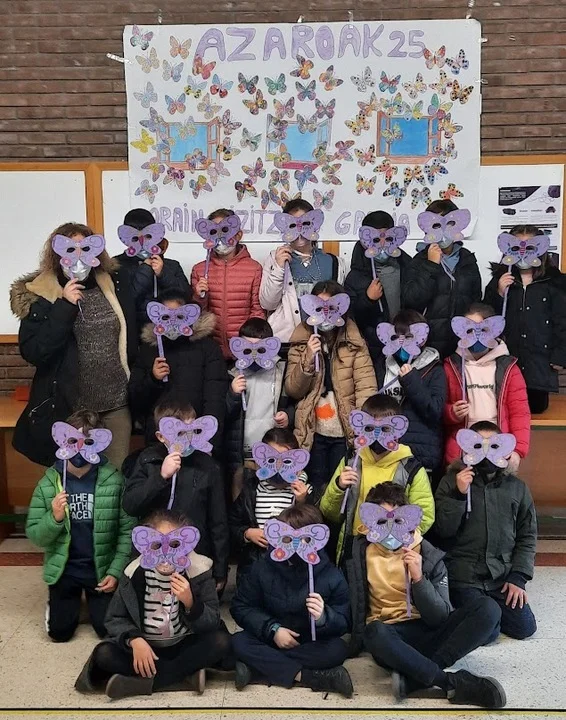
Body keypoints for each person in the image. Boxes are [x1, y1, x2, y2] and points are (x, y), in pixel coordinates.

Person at [346, 482, 506, 708]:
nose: (390, 529)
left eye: (398, 521)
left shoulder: (429, 554)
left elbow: (440, 617)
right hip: (391, 638)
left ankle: (415, 678)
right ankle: (448, 682)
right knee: (374, 632)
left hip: (428, 629)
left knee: (489, 608)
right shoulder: (358, 552)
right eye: (381, 521)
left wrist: (419, 579)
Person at [10, 222, 137, 469]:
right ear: (56, 254)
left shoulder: (113, 283)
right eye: (70, 249)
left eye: (86, 248)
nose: (79, 256)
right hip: (71, 411)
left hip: (116, 405)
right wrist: (65, 306)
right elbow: (35, 352)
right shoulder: (40, 294)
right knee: (75, 481)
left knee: (114, 478)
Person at [75, 509, 231, 699]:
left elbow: (212, 620)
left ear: (187, 545)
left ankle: (145, 683)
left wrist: (191, 603)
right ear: (145, 545)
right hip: (146, 648)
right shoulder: (133, 573)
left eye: (175, 544)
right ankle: (184, 673)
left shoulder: (198, 572)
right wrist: (134, 639)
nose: (165, 552)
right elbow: (114, 618)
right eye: (157, 545)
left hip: (184, 643)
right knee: (104, 654)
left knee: (221, 641)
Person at [25, 409, 134, 642]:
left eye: (89, 442)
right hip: (65, 571)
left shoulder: (114, 481)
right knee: (59, 633)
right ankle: (62, 605)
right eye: (73, 441)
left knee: (107, 631)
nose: (80, 448)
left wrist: (114, 572)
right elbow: (35, 535)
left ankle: (90, 604)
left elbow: (127, 532)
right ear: (62, 441)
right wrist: (54, 518)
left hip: (99, 569)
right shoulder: (48, 484)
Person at [230, 504, 353, 697]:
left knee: (337, 649)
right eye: (287, 538)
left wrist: (324, 617)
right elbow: (241, 606)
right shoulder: (262, 568)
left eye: (305, 539)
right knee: (239, 641)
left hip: (310, 642)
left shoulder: (331, 575)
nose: (296, 545)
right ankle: (308, 677)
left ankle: (258, 668)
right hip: (271, 638)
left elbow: (344, 621)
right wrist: (273, 629)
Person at [435, 421, 537, 641]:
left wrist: (518, 577)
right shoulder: (450, 482)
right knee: (488, 633)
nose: (486, 453)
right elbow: (443, 530)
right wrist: (459, 495)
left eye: (494, 446)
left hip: (500, 576)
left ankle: (487, 611)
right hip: (464, 576)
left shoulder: (517, 487)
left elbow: (527, 536)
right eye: (478, 445)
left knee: (525, 628)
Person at [122, 397, 229, 594]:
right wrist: (160, 477)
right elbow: (130, 504)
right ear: (161, 436)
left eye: (193, 430)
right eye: (179, 432)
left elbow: (218, 521)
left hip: (193, 554)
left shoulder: (208, 466)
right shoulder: (148, 460)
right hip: (152, 553)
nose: (187, 438)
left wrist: (220, 569)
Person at [320, 394, 434, 564]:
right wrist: (339, 487)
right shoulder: (351, 462)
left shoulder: (411, 469)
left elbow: (424, 516)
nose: (378, 434)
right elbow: (329, 512)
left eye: (386, 429)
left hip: (390, 557)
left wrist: (393, 537)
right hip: (352, 553)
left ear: (399, 431)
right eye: (370, 428)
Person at [285, 280, 377, 488]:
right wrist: (308, 358)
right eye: (319, 308)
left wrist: (362, 428)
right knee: (315, 486)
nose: (325, 314)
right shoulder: (301, 340)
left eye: (332, 308)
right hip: (312, 431)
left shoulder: (354, 342)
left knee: (340, 487)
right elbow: (292, 389)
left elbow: (366, 388)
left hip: (344, 432)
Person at [127, 287, 227, 445]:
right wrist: (153, 379)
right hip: (160, 440)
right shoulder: (148, 350)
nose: (172, 322)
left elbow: (215, 400)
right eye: (166, 317)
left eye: (179, 316)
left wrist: (209, 439)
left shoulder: (208, 348)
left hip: (197, 437)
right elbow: (136, 401)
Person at [484, 224, 566, 414]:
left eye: (530, 247)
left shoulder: (555, 282)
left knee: (535, 408)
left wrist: (560, 355)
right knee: (505, 407)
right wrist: (499, 293)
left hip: (540, 360)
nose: (522, 252)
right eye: (516, 247)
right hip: (509, 357)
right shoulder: (500, 280)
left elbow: (563, 320)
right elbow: (487, 318)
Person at [443, 303, 530, 467]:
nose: (476, 335)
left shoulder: (509, 368)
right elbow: (439, 408)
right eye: (469, 330)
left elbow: (520, 413)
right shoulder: (451, 366)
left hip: (499, 448)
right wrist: (452, 413)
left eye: (482, 330)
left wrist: (518, 450)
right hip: (462, 448)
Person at [229, 427, 314, 580]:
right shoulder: (251, 490)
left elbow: (315, 531)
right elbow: (233, 523)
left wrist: (303, 502)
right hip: (255, 566)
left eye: (286, 461)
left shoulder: (304, 491)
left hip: (291, 570)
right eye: (271, 460)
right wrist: (247, 533)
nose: (278, 467)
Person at [402, 200, 482, 358]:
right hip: (429, 342)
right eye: (437, 225)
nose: (444, 231)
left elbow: (476, 300)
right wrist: (431, 265)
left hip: (461, 342)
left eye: (450, 224)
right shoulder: (418, 262)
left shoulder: (467, 260)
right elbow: (411, 301)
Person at [260, 198, 345, 342]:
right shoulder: (275, 259)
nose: (299, 230)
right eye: (292, 225)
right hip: (288, 340)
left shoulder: (334, 262)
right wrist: (279, 268)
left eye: (306, 224)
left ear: (315, 225)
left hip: (324, 341)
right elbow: (268, 303)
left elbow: (339, 306)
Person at [374, 310, 446, 478]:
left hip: (419, 456)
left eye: (409, 337)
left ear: (423, 339)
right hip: (384, 454)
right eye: (396, 337)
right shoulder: (382, 365)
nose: (402, 343)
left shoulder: (435, 369)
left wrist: (411, 380)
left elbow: (434, 410)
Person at [226, 317, 293, 498]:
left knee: (269, 498)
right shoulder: (231, 373)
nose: (254, 354)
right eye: (247, 349)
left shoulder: (281, 371)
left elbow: (294, 403)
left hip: (272, 451)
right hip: (241, 453)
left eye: (261, 349)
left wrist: (288, 416)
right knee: (240, 499)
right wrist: (232, 394)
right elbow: (224, 414)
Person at [190, 208, 264, 359]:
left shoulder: (254, 268)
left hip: (244, 350)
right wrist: (198, 297)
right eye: (213, 232)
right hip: (211, 351)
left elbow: (257, 310)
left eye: (225, 230)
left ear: (238, 234)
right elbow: (197, 315)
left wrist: (250, 344)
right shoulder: (199, 270)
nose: (220, 237)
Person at [344, 210, 412, 363]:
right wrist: (368, 299)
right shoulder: (355, 277)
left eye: (388, 238)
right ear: (364, 241)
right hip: (373, 348)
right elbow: (351, 316)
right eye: (375, 239)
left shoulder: (407, 267)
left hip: (405, 343)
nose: (382, 244)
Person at [114, 208, 191, 331]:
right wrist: (145, 270)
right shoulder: (116, 265)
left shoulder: (172, 265)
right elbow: (122, 302)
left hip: (169, 330)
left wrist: (163, 273)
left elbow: (186, 296)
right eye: (135, 238)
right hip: (133, 330)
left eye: (148, 236)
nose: (142, 242)